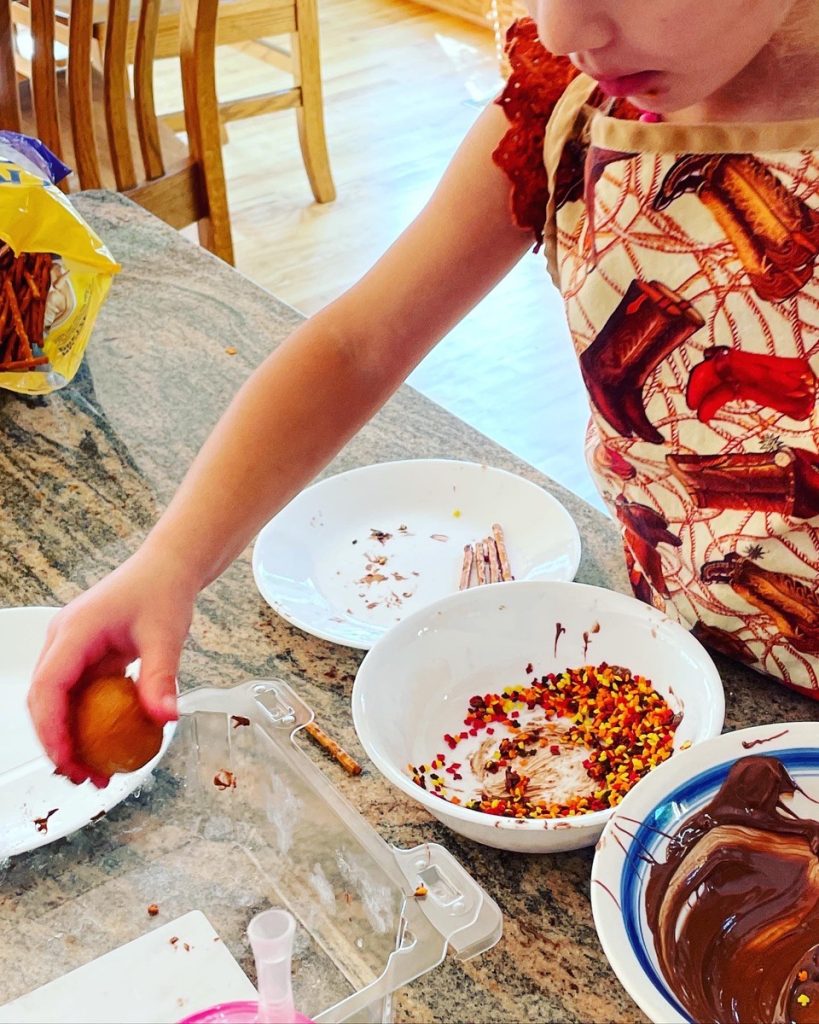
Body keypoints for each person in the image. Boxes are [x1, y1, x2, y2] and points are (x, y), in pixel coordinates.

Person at [28, 0, 819, 786]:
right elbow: (359, 346)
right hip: (678, 644)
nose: (560, 31)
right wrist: (169, 561)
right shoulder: (571, 103)